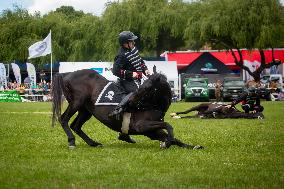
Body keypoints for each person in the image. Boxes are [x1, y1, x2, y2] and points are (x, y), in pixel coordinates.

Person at [109, 31, 150, 143]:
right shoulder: (121, 55)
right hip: (126, 81)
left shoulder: (133, 50)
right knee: (135, 95)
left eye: (132, 41)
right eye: (131, 41)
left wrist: (145, 69)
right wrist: (131, 74)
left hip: (138, 78)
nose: (133, 43)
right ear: (124, 43)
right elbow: (116, 71)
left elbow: (140, 61)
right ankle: (119, 109)